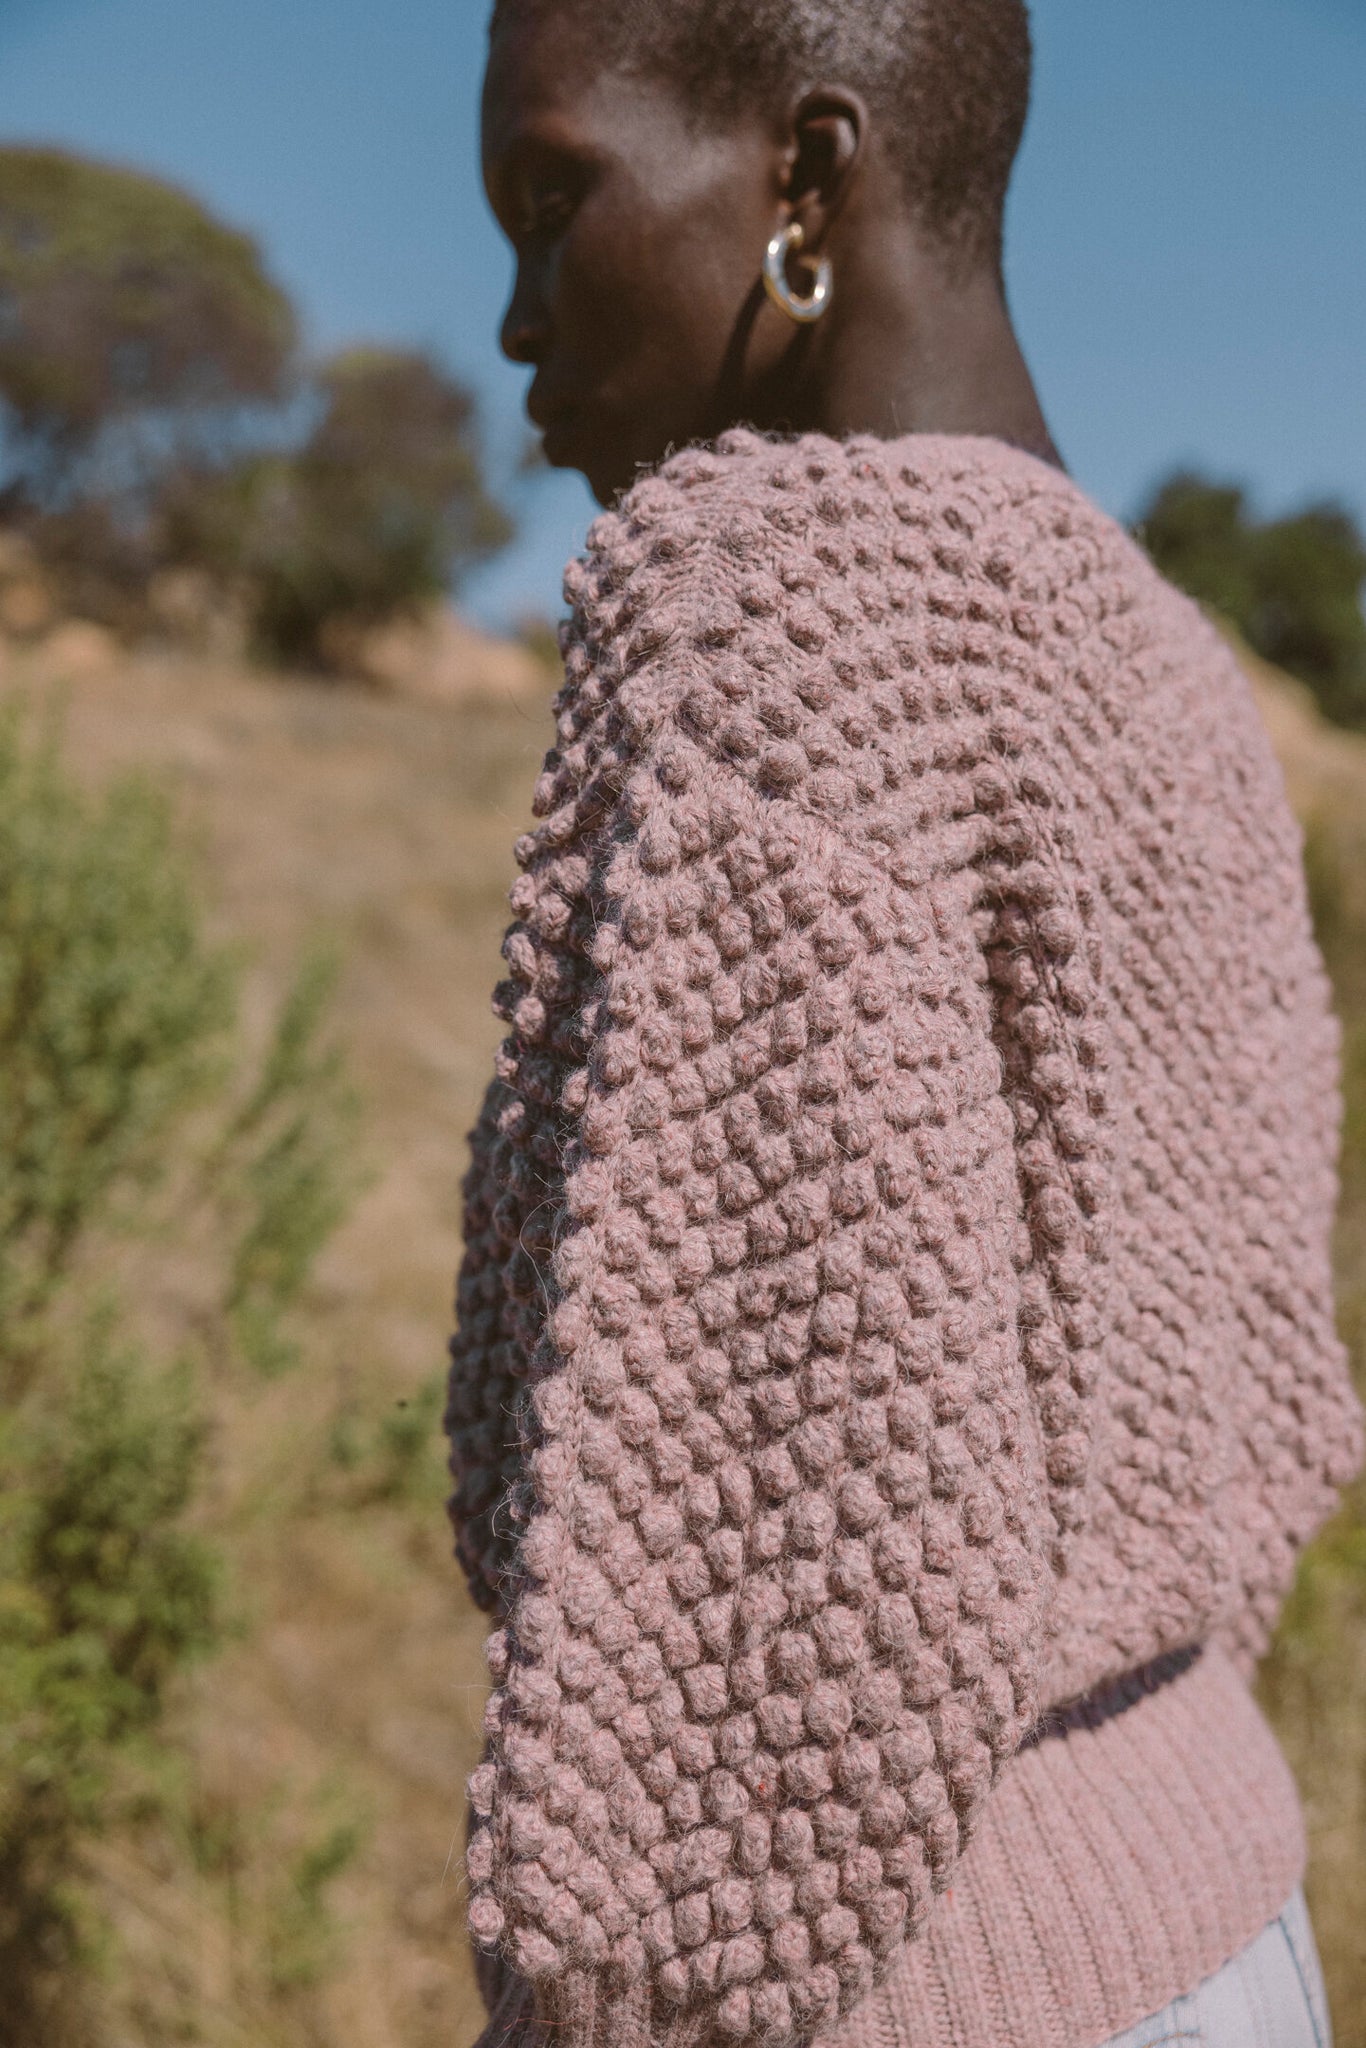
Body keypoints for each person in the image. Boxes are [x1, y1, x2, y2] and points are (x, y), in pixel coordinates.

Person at [444, 3, 1363, 2044]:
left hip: (910, 1978)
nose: (515, 317)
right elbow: (1253, 1407)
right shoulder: (1166, 658)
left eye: (550, 202)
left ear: (805, 174)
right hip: (1215, 1907)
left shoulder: (760, 602)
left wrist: (599, 2001)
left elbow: (735, 1593)